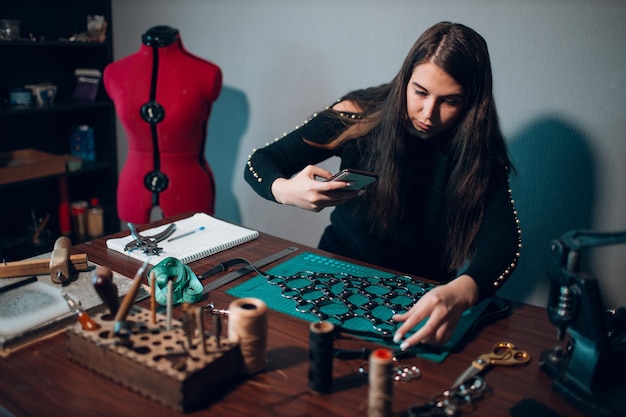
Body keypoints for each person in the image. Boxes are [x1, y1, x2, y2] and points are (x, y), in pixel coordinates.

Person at [244, 21, 522, 349]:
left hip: (422, 294)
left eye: (450, 101)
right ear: (406, 79)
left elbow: (505, 241)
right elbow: (259, 162)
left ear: (472, 102)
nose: (428, 113)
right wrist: (285, 190)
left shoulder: (481, 153)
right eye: (420, 92)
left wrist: (464, 289)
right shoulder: (358, 115)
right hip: (333, 272)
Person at [104, 26, 222, 225]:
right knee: (132, 253)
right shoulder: (113, 73)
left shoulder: (207, 73)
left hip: (189, 187)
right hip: (133, 186)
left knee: (194, 252)